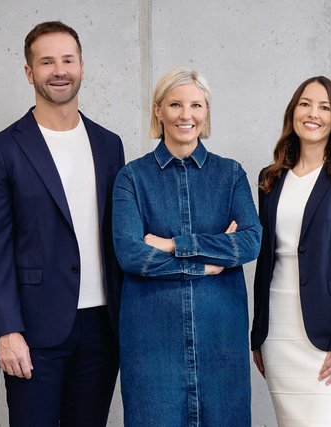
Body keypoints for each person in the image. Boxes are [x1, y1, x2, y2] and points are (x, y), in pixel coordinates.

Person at [0, 21, 125, 425]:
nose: (60, 70)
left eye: (68, 60)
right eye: (47, 61)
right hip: (34, 328)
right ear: (29, 72)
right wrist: (7, 330)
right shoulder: (2, 149)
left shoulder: (109, 144)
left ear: (82, 66)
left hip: (102, 325)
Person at [112, 67, 262, 426]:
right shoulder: (132, 177)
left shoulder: (231, 175)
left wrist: (169, 244)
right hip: (152, 343)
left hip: (220, 337)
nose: (186, 115)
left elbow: (250, 241)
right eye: (175, 104)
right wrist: (206, 262)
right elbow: (132, 254)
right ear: (158, 110)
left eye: (196, 104)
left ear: (206, 111)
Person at [249, 76, 331, 427]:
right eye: (305, 103)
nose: (313, 113)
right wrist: (258, 334)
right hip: (278, 331)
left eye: (324, 107)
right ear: (293, 112)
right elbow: (266, 260)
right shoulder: (271, 178)